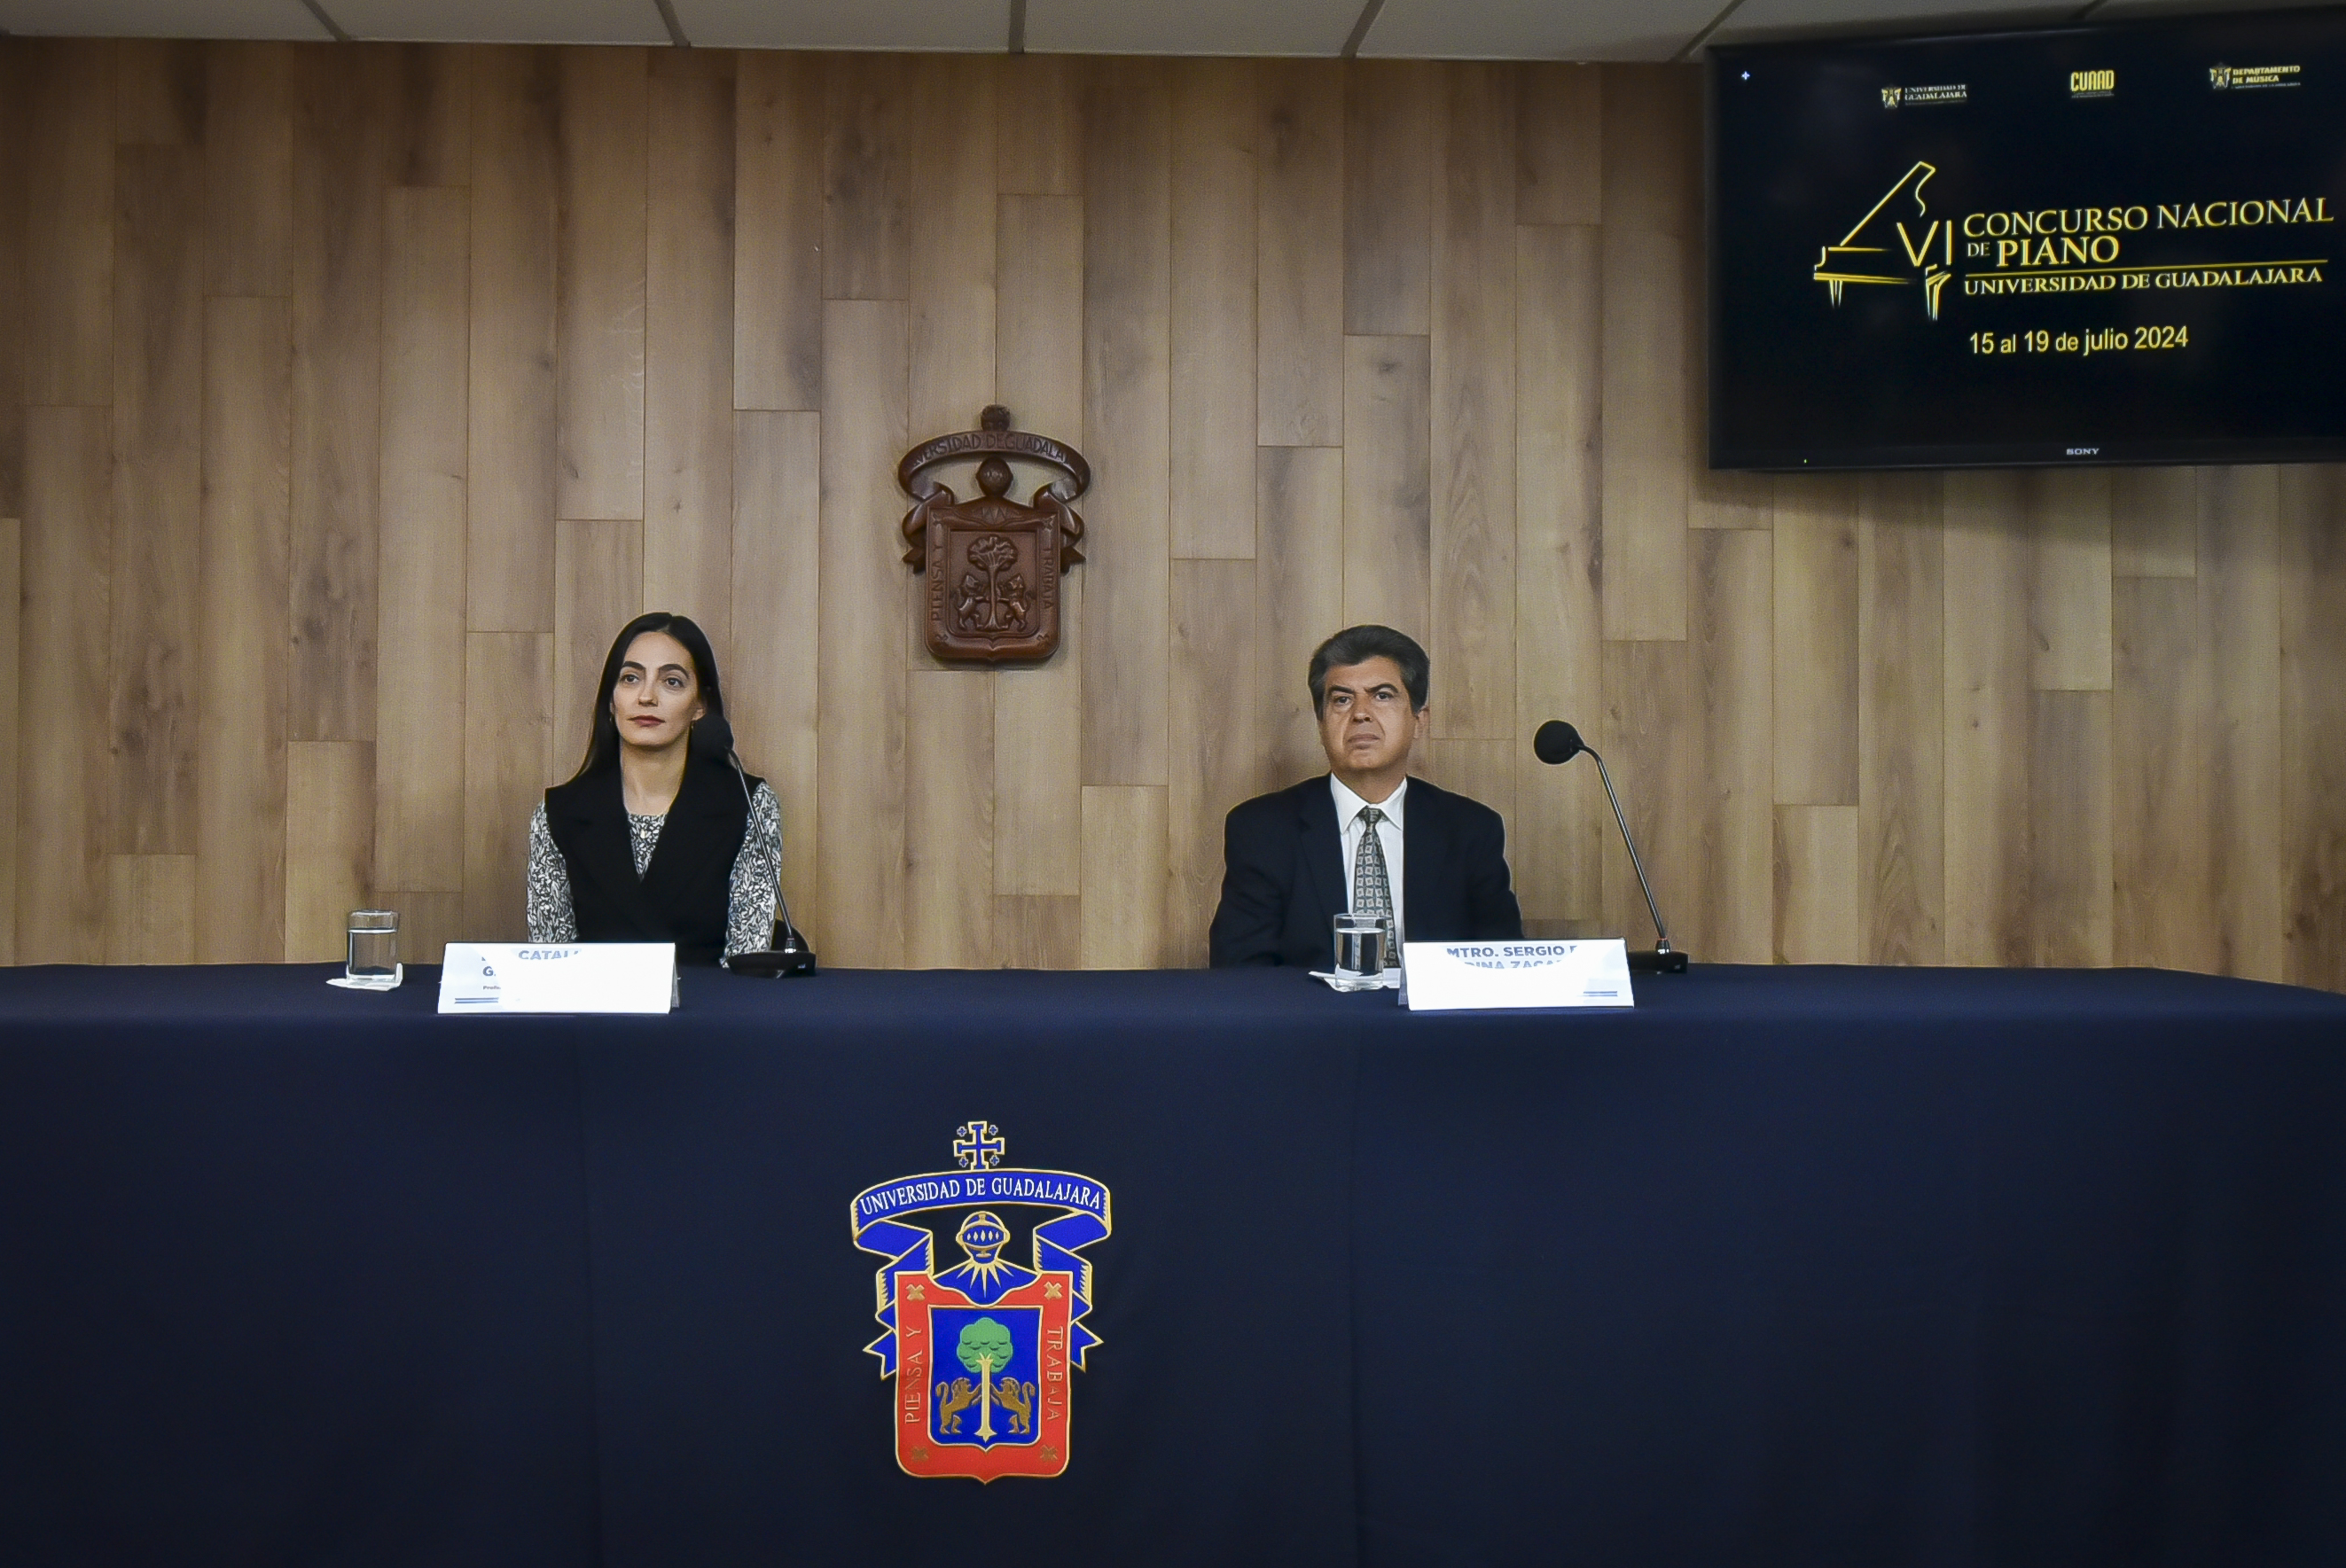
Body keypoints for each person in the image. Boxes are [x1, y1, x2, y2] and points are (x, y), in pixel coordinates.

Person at [1208, 624, 1521, 969]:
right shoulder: (1262, 829)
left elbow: (1501, 964)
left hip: (1431, 1006)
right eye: (1342, 700)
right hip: (1308, 1005)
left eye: (1382, 696)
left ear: (1419, 721)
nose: (1360, 713)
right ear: (1321, 724)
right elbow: (1242, 971)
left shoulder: (1471, 829)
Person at [526, 612, 783, 966]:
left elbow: (746, 960)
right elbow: (550, 964)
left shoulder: (748, 804)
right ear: (612, 700)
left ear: (700, 705)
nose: (646, 696)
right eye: (630, 678)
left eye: (671, 682)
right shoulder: (559, 813)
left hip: (710, 1001)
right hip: (596, 1001)